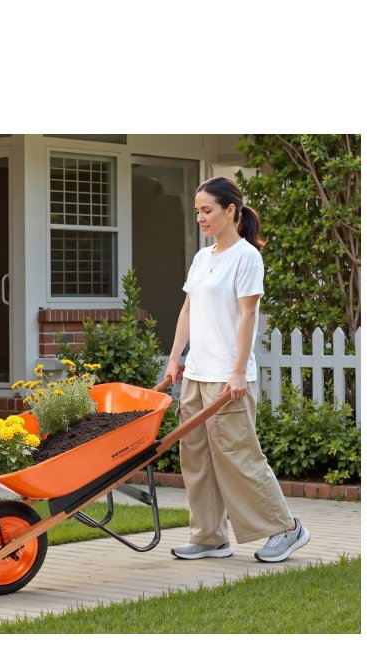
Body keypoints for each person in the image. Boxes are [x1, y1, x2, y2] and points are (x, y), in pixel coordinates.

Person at [164, 176, 310, 563]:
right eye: (197, 211)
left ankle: (287, 528)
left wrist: (238, 371)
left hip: (228, 377)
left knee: (239, 457)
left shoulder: (247, 258)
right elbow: (188, 309)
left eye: (207, 210)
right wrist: (175, 357)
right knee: (196, 460)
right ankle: (209, 537)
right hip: (197, 374)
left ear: (230, 210)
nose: (200, 217)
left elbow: (248, 317)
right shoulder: (202, 258)